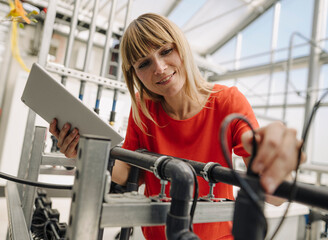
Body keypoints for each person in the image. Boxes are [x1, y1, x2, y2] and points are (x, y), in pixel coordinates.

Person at [49, 13, 303, 240]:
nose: (159, 68)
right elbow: (128, 173)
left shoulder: (228, 102)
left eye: (165, 51)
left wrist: (277, 166)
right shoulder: (143, 107)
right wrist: (83, 150)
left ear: (181, 47)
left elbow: (275, 198)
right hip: (158, 234)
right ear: (134, 74)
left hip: (216, 236)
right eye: (144, 64)